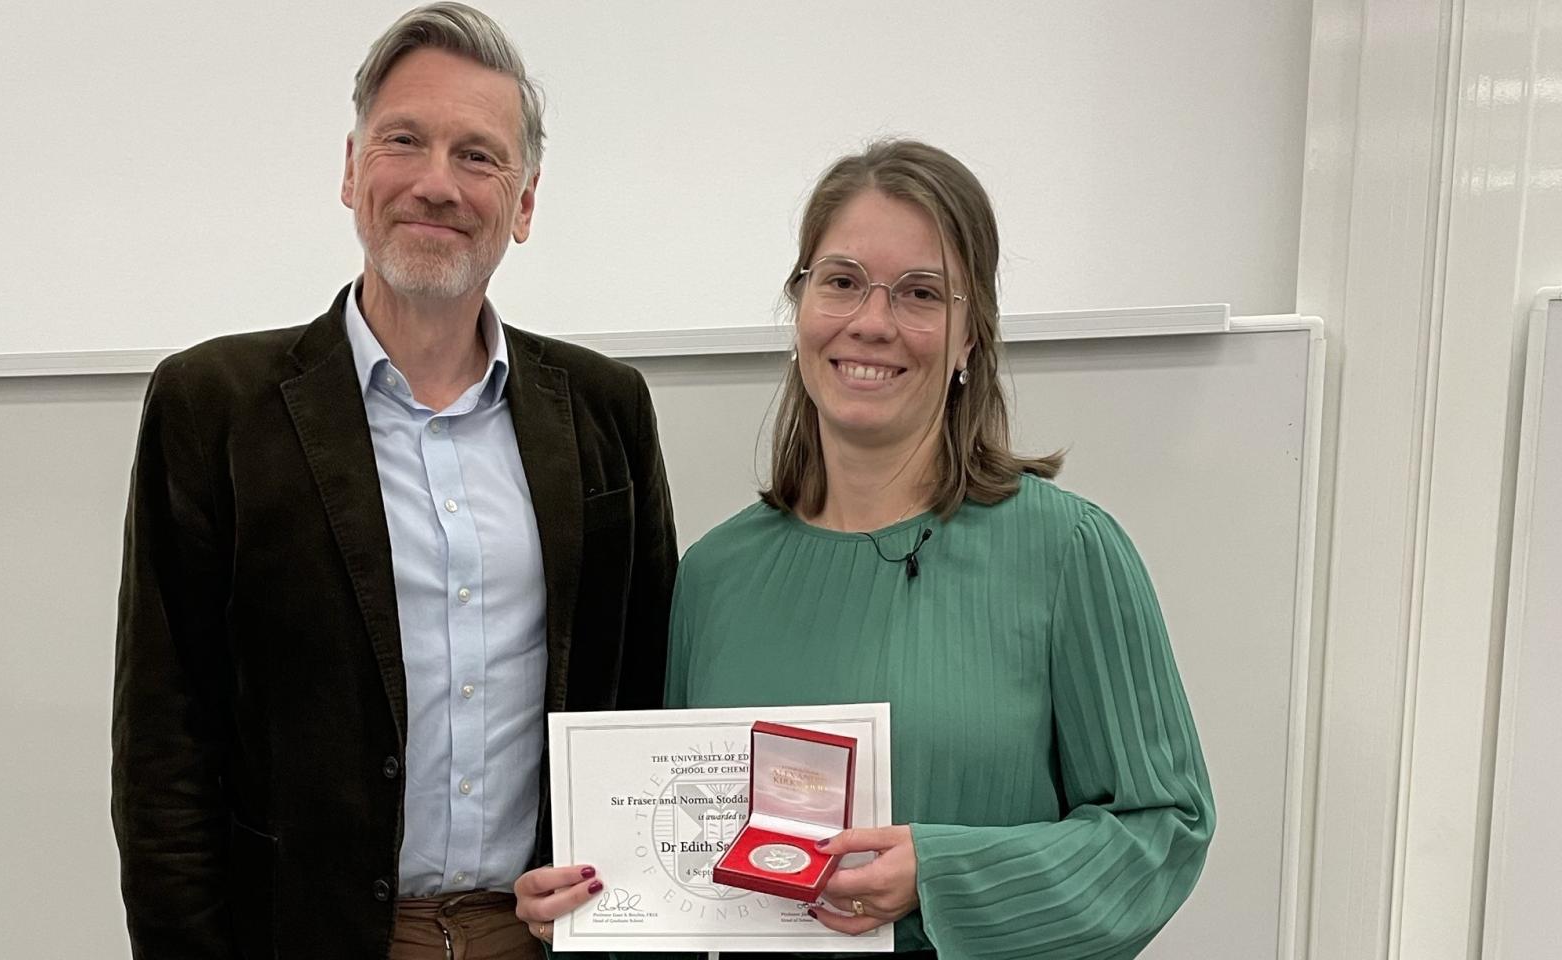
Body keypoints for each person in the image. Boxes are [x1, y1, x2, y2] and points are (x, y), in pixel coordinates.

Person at [514, 139, 1214, 959]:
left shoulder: (1069, 553)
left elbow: (1164, 832)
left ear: (969, 340)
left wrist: (941, 874)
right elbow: (685, 864)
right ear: (801, 305)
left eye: (920, 293)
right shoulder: (714, 579)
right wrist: (587, 903)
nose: (872, 322)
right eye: (841, 281)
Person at [110, 4, 677, 957]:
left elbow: (647, 699)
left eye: (479, 156)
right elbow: (166, 755)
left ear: (525, 203)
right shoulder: (214, 408)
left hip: (542, 938)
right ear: (351, 169)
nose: (436, 183)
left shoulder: (604, 411)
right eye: (404, 141)